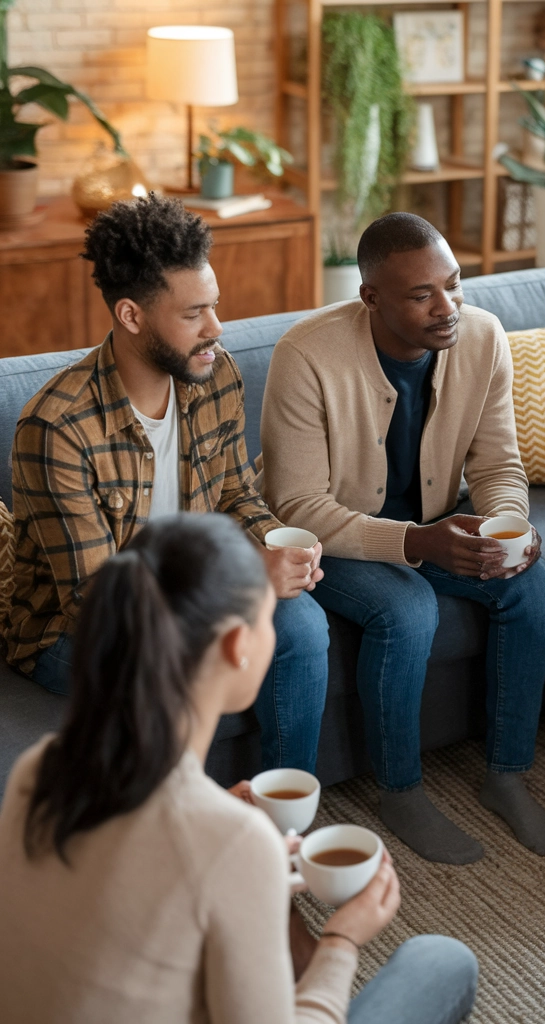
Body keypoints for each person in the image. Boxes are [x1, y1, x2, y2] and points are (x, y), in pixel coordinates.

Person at [0, 514, 477, 1024]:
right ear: (236, 646)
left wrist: (225, 834)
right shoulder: (233, 843)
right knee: (445, 962)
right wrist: (343, 938)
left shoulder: (39, 769)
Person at [258, 213, 545, 865]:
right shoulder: (305, 354)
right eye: (423, 294)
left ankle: (507, 773)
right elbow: (299, 505)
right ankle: (401, 791)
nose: (447, 307)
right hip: (333, 540)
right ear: (371, 297)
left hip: (430, 525)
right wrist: (418, 544)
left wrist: (510, 525)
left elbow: (498, 462)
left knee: (530, 583)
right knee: (406, 606)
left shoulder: (483, 338)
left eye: (454, 285)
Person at [3, 194, 330, 776]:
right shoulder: (56, 427)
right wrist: (245, 575)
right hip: (72, 631)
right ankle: (184, 832)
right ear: (131, 315)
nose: (217, 327)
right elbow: (100, 599)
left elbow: (234, 494)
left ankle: (284, 817)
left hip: (191, 589)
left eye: (215, 306)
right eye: (193, 314)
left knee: (302, 622)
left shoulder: (216, 374)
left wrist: (281, 544)